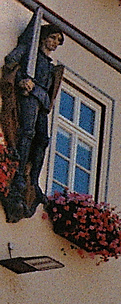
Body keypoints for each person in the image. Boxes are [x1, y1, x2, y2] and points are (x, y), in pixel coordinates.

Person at [2, 16, 65, 222]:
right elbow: (11, 61)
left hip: (42, 101)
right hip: (29, 96)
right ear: (44, 37)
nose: (55, 43)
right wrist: (22, 80)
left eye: (58, 40)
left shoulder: (48, 63)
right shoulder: (31, 53)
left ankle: (33, 179)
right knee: (26, 133)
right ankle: (19, 174)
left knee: (43, 140)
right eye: (53, 38)